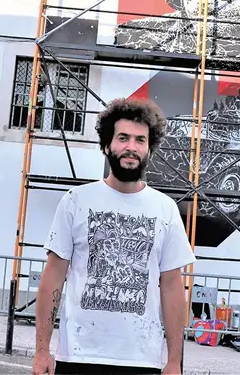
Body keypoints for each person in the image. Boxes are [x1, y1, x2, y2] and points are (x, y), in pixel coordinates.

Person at [32, 98, 197, 375]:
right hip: (78, 358)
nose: (131, 147)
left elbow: (171, 288)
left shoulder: (165, 209)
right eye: (123, 138)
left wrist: (173, 361)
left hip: (142, 362)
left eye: (140, 140)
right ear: (107, 145)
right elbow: (53, 278)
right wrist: (41, 351)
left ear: (149, 149)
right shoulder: (75, 201)